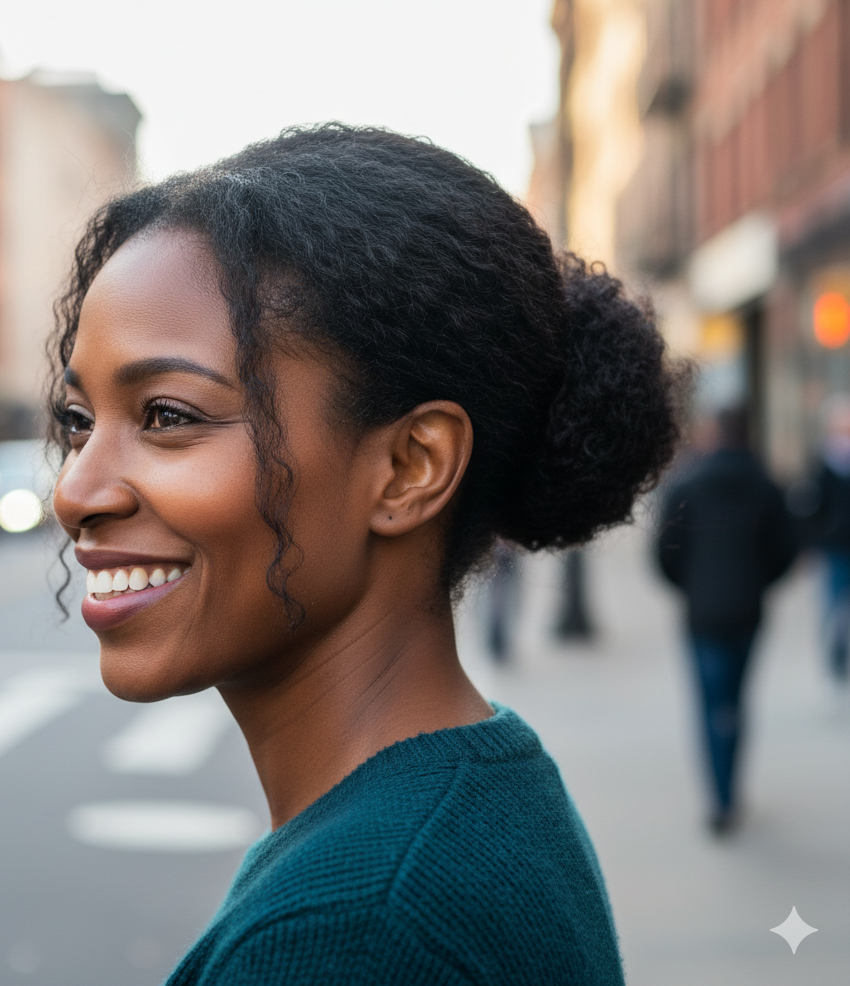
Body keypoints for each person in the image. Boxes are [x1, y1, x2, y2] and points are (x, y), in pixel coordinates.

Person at [49, 124, 685, 984]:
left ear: (408, 468)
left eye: (167, 415)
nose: (77, 492)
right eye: (79, 423)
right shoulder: (473, 788)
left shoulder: (353, 928)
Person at [656, 406, 798, 835]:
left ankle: (720, 797)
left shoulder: (686, 488)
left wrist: (693, 588)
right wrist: (756, 583)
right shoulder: (767, 488)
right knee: (735, 699)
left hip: (701, 614)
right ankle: (730, 789)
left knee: (710, 703)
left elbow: (665, 555)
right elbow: (786, 550)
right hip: (747, 611)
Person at [788, 394, 850, 682]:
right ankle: (836, 651)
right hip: (834, 546)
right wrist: (810, 544)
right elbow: (810, 506)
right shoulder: (822, 461)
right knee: (832, 602)